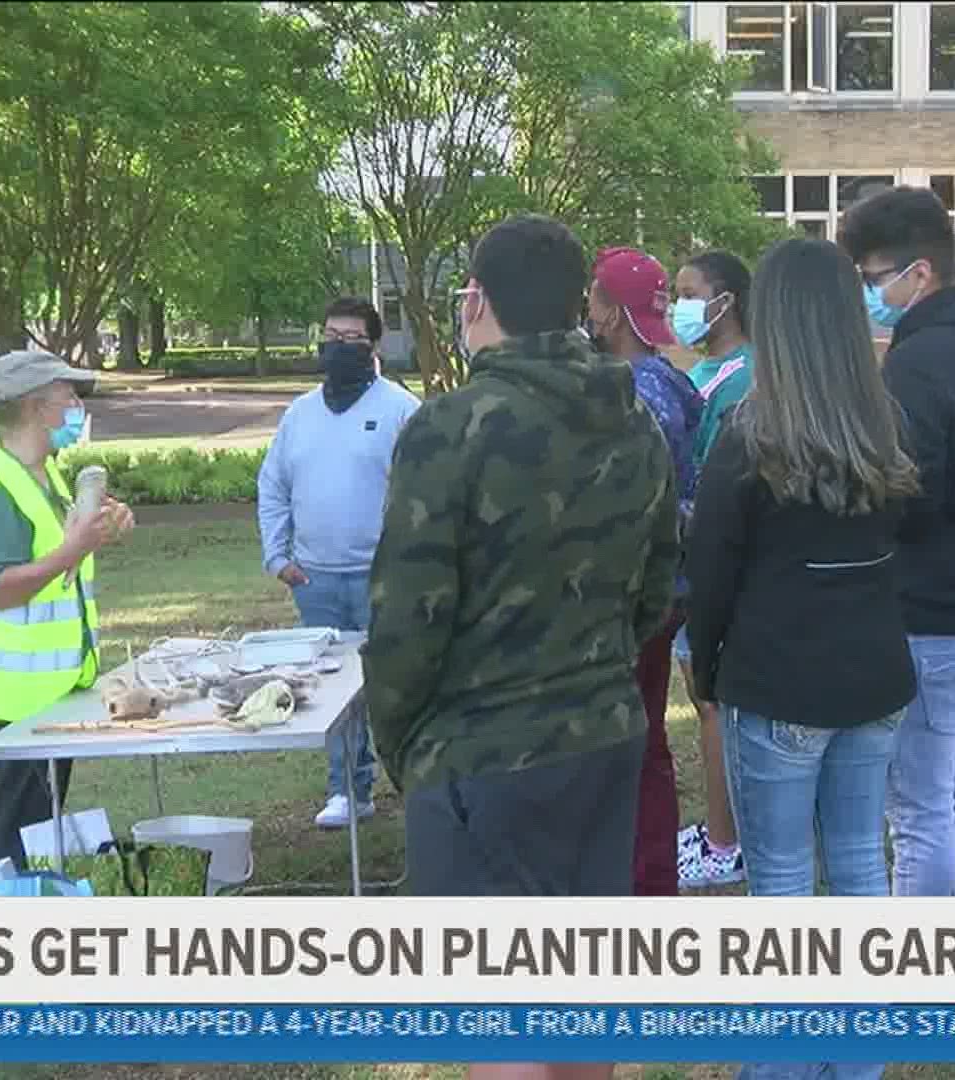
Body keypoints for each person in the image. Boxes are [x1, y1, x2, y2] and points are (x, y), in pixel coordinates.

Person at [365, 213, 678, 905]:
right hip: (602, 737)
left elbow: (403, 625)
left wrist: (405, 748)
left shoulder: (450, 429)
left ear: (475, 299)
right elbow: (657, 588)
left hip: (482, 756)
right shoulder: (636, 420)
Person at [687, 241, 919, 1001]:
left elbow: (711, 572)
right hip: (871, 673)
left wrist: (709, 671)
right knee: (859, 864)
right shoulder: (887, 425)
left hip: (781, 681)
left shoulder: (750, 435)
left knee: (782, 881)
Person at [839, 187, 955, 898]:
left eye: (873, 275)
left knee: (918, 811)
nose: (866, 292)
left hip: (928, 615)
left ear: (919, 273)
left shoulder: (915, 364)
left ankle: (925, 983)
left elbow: (909, 493)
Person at [0, 350, 134, 869]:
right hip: (6, 693)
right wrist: (75, 547)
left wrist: (98, 531)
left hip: (42, 688)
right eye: (68, 395)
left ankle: (26, 908)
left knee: (35, 819)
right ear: (35, 407)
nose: (76, 405)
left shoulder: (40, 475)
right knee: (16, 824)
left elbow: (56, 560)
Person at [256, 297, 422, 829]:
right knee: (331, 692)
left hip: (382, 579)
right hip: (316, 579)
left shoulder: (400, 409)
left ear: (373, 347)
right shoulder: (298, 415)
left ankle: (414, 787)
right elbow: (273, 486)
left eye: (351, 338)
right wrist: (278, 555)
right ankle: (347, 790)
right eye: (330, 335)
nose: (337, 346)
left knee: (391, 688)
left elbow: (421, 494)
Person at [587, 246, 703, 898]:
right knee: (648, 742)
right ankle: (649, 879)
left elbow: (635, 509)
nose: (586, 311)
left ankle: (639, 883)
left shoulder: (632, 393)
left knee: (628, 748)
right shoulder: (670, 380)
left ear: (611, 313)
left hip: (631, 602)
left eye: (593, 300)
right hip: (666, 594)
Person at [669, 250, 754, 891]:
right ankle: (723, 829)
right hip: (689, 556)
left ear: (725, 301)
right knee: (704, 702)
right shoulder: (703, 371)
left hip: (716, 563)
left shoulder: (745, 377)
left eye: (688, 292)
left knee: (712, 704)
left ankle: (727, 844)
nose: (680, 305)